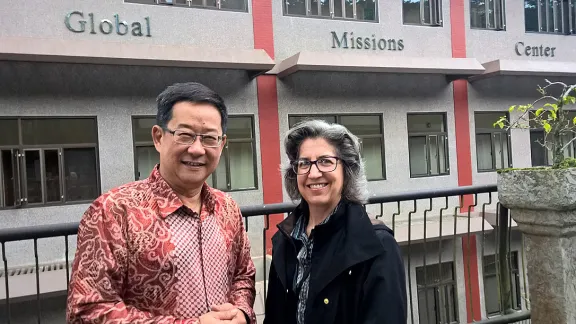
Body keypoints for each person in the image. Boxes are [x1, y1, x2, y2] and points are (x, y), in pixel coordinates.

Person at [66, 82, 256, 324]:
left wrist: (240, 312)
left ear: (222, 144)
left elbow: (243, 274)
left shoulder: (227, 208)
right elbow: (87, 310)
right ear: (158, 137)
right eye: (185, 135)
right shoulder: (114, 211)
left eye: (209, 138)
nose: (197, 149)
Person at [263, 120, 407, 324]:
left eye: (325, 161)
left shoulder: (377, 246)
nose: (313, 174)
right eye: (304, 163)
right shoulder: (285, 241)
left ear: (346, 171)